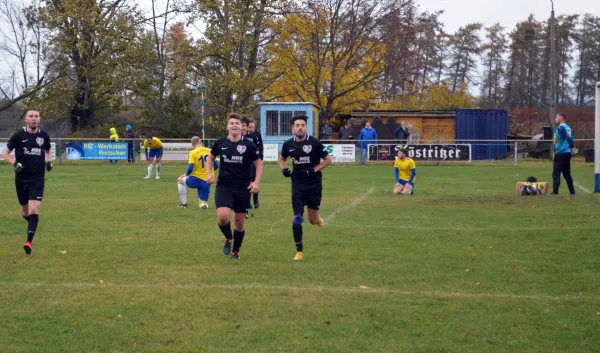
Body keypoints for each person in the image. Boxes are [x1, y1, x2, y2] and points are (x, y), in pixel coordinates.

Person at [206, 113, 263, 260]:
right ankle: (228, 237)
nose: (234, 125)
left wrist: (256, 182)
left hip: (243, 188)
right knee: (223, 217)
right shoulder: (220, 143)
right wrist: (209, 174)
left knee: (239, 221)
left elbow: (259, 163)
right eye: (232, 123)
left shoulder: (249, 145)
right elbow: (210, 158)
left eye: (237, 123)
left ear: (241, 127)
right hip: (224, 186)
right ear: (227, 127)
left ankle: (236, 251)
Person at [279, 114, 332, 260]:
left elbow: (328, 160)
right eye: (297, 125)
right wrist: (283, 169)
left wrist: (313, 170)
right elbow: (282, 158)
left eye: (302, 125)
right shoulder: (288, 144)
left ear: (306, 127)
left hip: (314, 183)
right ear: (292, 128)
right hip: (297, 183)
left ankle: (317, 218)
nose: (300, 127)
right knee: (297, 217)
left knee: (312, 220)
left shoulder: (314, 143)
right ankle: (299, 251)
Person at [2, 109, 53, 255]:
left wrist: (49, 162)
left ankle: (28, 242)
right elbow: (5, 154)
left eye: (36, 116)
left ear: (39, 119)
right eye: (31, 116)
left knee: (33, 210)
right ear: (26, 119)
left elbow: (48, 151)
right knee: (25, 211)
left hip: (37, 178)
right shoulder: (19, 135)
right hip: (21, 179)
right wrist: (14, 163)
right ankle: (29, 221)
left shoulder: (43, 136)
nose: (34, 119)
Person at [177, 136, 218, 209]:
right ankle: (203, 203)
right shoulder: (210, 150)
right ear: (201, 142)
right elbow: (216, 165)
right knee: (202, 204)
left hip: (195, 179)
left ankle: (184, 204)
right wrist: (208, 172)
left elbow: (190, 168)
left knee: (180, 180)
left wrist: (186, 175)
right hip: (207, 180)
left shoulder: (192, 152)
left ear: (192, 144)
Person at [551, 113, 575, 195]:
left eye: (556, 117)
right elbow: (572, 139)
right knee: (567, 174)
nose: (555, 119)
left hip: (560, 153)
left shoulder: (561, 128)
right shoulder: (569, 128)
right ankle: (572, 192)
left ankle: (555, 192)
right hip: (567, 153)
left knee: (556, 173)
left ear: (561, 118)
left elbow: (568, 139)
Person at [247, 118, 263, 209]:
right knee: (247, 181)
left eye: (253, 127)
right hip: (246, 162)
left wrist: (261, 159)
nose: (251, 129)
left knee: (253, 181)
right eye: (249, 127)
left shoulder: (256, 135)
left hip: (254, 162)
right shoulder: (244, 136)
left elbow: (260, 147)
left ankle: (255, 197)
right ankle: (248, 202)